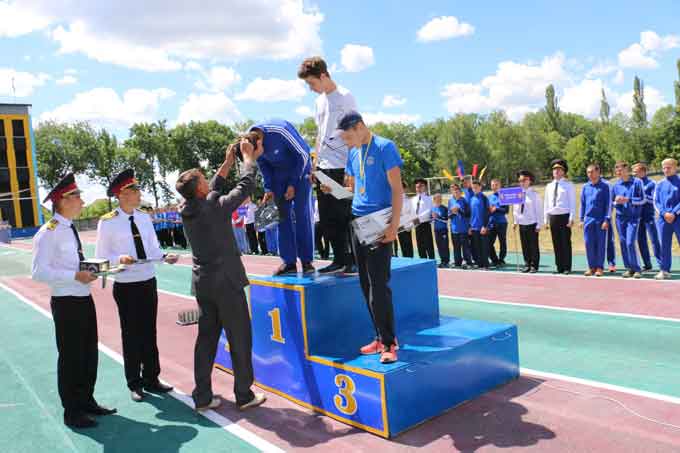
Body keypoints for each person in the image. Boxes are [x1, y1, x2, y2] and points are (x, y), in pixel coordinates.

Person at [176, 141, 266, 412]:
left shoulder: (187, 208)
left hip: (203, 282)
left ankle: (202, 396)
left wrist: (227, 162)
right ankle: (244, 394)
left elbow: (211, 189)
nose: (208, 180)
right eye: (204, 179)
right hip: (226, 281)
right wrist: (248, 160)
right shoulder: (213, 205)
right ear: (200, 189)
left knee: (206, 339)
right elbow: (244, 187)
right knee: (239, 337)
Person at [32, 173, 116, 428]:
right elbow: (38, 272)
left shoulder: (68, 228)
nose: (81, 200)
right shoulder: (49, 232)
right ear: (62, 200)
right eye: (76, 195)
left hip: (82, 299)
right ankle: (72, 411)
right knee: (71, 357)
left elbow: (70, 263)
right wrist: (74, 275)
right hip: (66, 303)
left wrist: (91, 270)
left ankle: (86, 401)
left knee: (89, 353)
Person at [95, 169, 179, 402]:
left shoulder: (143, 217)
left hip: (147, 280)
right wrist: (118, 259)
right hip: (126, 284)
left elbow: (152, 248)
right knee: (131, 334)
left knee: (149, 331)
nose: (138, 193)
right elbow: (101, 256)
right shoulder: (108, 222)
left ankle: (152, 377)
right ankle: (134, 382)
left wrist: (164, 256)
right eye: (134, 190)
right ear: (122, 194)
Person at [337, 111, 403, 364]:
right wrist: (334, 189)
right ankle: (378, 337)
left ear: (360, 126)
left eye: (348, 137)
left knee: (379, 284)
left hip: (379, 223)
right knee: (365, 284)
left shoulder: (385, 147)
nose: (347, 142)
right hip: (358, 222)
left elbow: (397, 189)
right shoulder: (353, 153)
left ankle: (389, 343)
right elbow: (354, 190)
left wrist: (394, 225)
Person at [298, 56, 358, 274]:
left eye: (312, 83)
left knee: (344, 215)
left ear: (323, 76)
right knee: (327, 216)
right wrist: (314, 166)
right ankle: (339, 259)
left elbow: (354, 131)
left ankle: (352, 260)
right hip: (323, 166)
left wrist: (351, 168)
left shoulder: (345, 97)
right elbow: (320, 134)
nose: (311, 88)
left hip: (342, 165)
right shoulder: (319, 102)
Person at [250, 119, 314, 276]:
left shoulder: (280, 130)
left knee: (301, 215)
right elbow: (264, 166)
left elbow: (303, 155)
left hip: (299, 172)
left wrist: (293, 183)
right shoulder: (250, 143)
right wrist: (269, 187)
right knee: (281, 218)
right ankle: (289, 262)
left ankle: (307, 261)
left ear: (260, 141)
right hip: (278, 178)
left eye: (257, 152)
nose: (258, 156)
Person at [611, 161, 645, 278]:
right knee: (623, 242)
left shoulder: (637, 182)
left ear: (626, 169)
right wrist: (616, 201)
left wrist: (628, 200)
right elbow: (612, 202)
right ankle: (629, 268)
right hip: (620, 218)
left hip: (633, 218)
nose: (618, 172)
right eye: (617, 170)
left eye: (620, 170)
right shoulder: (615, 185)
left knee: (630, 242)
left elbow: (643, 199)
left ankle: (637, 269)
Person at [544, 159, 576, 274]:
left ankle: (567, 267)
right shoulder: (549, 186)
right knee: (556, 243)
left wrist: (571, 218)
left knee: (565, 242)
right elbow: (546, 203)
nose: (556, 171)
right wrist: (545, 219)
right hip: (553, 216)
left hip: (564, 216)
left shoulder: (568, 185)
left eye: (559, 169)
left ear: (563, 171)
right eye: (554, 169)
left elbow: (572, 202)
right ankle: (559, 266)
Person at [579, 164, 611, 277]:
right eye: (588, 172)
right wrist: (581, 219)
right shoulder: (585, 187)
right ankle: (591, 267)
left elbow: (608, 204)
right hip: (588, 219)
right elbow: (582, 204)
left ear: (598, 172)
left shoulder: (605, 186)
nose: (590, 174)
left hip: (600, 220)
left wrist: (606, 219)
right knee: (589, 244)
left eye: (592, 172)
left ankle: (599, 267)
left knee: (600, 244)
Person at [653, 158, 680, 280]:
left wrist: (674, 213)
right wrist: (664, 214)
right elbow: (656, 202)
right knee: (664, 245)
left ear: (675, 167)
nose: (666, 170)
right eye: (664, 167)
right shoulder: (659, 184)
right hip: (663, 220)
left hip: (678, 218)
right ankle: (665, 270)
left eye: (668, 167)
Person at [632, 162, 661, 272]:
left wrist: (642, 196)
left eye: (636, 171)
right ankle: (647, 264)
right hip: (637, 217)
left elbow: (654, 199)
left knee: (654, 240)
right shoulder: (634, 183)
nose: (634, 174)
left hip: (649, 216)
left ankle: (662, 264)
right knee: (641, 240)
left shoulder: (652, 183)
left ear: (643, 171)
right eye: (633, 172)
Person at [512, 170, 543, 273]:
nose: (522, 182)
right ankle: (527, 264)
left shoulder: (534, 195)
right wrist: (515, 221)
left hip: (532, 223)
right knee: (524, 246)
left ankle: (534, 265)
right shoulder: (518, 194)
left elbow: (539, 210)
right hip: (522, 223)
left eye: (524, 180)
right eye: (520, 180)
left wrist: (539, 224)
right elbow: (516, 209)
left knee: (533, 246)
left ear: (529, 181)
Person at [448, 183, 472, 268]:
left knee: (465, 247)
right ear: (453, 192)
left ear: (460, 192)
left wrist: (459, 210)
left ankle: (468, 262)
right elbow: (449, 216)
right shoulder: (450, 201)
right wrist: (453, 213)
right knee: (456, 247)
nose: (456, 193)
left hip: (464, 228)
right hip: (454, 228)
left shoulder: (464, 201)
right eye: (455, 191)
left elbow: (468, 214)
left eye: (458, 191)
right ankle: (457, 262)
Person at [468, 179, 490, 270]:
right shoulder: (471, 198)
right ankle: (479, 263)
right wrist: (470, 226)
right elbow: (471, 214)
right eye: (473, 188)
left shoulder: (484, 198)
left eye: (476, 187)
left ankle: (485, 264)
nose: (475, 189)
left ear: (480, 187)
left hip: (482, 228)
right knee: (476, 247)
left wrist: (484, 226)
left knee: (484, 247)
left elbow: (487, 213)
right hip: (474, 227)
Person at [487, 178, 509, 267]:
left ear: (500, 186)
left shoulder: (503, 196)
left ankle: (501, 259)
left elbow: (506, 210)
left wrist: (496, 209)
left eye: (496, 185)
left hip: (502, 223)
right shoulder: (489, 198)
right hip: (491, 223)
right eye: (492, 185)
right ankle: (494, 260)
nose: (494, 187)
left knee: (502, 242)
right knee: (488, 243)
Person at [412, 178, 435, 259]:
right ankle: (423, 260)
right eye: (417, 187)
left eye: (420, 186)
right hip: (416, 225)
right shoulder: (413, 199)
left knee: (428, 244)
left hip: (425, 224)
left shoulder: (429, 198)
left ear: (424, 187)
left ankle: (431, 260)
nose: (418, 188)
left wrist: (419, 217)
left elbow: (430, 211)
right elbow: (412, 211)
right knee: (420, 245)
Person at [431, 193, 450, 268]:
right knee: (439, 246)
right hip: (436, 230)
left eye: (440, 198)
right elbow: (431, 220)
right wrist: (432, 218)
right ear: (434, 200)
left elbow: (446, 220)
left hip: (443, 230)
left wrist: (437, 216)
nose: (439, 200)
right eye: (437, 198)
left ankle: (446, 261)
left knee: (445, 246)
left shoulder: (444, 208)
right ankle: (442, 261)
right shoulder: (432, 208)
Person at [397, 181, 414, 258]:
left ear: (404, 189)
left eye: (401, 188)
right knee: (402, 245)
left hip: (406, 226)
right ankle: (406, 260)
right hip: (399, 226)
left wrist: (409, 226)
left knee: (408, 245)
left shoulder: (408, 200)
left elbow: (412, 214)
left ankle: (410, 261)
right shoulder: (395, 200)